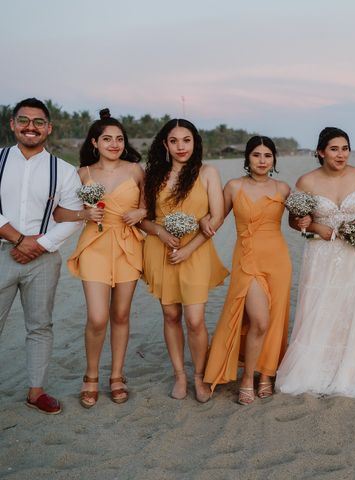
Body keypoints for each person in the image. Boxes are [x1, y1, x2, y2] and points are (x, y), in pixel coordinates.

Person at [275, 127, 355, 397]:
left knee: (351, 308)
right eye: (334, 149)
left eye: (345, 148)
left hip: (354, 254)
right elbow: (295, 221)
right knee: (321, 307)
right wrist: (314, 226)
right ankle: (315, 368)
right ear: (320, 152)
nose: (341, 154)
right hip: (321, 254)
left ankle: (350, 367)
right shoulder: (306, 182)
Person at [53, 108, 145, 407]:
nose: (114, 144)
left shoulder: (135, 171)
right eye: (107, 139)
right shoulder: (82, 173)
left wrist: (142, 211)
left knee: (120, 315)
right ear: (95, 142)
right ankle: (90, 375)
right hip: (94, 244)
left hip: (128, 245)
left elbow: (150, 208)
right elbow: (59, 212)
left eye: (119, 138)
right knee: (97, 317)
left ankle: (117, 375)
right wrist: (84, 213)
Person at [0, 98, 83, 414]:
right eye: (23, 120)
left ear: (48, 128)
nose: (30, 126)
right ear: (13, 124)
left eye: (38, 122)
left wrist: (39, 245)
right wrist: (19, 239)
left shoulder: (63, 170)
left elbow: (73, 216)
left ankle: (36, 392)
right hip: (2, 252)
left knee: (40, 325)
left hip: (44, 258)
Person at [139, 119, 228, 403]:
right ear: (165, 144)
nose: (181, 147)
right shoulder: (153, 175)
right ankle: (180, 375)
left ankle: (199, 376)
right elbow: (143, 219)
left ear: (195, 142)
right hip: (160, 249)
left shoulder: (208, 172)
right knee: (171, 315)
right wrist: (161, 232)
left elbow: (217, 217)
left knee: (194, 319)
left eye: (186, 140)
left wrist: (190, 248)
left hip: (196, 251)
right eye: (174, 141)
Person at [203, 136, 292, 405]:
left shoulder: (283, 189)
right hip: (247, 260)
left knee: (274, 321)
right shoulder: (233, 187)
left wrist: (308, 217)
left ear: (274, 159)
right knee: (260, 320)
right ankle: (246, 377)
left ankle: (266, 374)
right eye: (256, 155)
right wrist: (203, 224)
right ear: (247, 159)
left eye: (267, 155)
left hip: (278, 260)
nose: (262, 160)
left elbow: (299, 222)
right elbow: (215, 217)